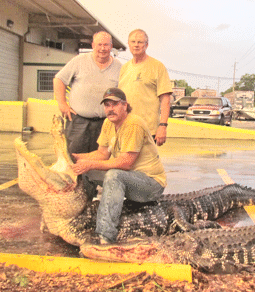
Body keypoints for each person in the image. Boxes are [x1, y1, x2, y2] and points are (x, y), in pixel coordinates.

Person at [71, 88, 166, 244]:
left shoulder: (133, 124)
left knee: (113, 175)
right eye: (107, 105)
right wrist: (75, 159)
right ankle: (84, 216)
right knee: (88, 172)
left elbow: (126, 163)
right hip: (130, 179)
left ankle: (105, 236)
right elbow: (101, 154)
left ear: (125, 105)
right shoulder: (108, 123)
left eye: (114, 104)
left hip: (150, 184)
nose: (110, 109)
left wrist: (89, 164)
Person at [53, 31, 122, 155]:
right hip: (78, 121)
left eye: (106, 45)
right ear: (93, 45)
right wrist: (62, 104)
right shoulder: (79, 61)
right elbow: (59, 79)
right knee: (74, 158)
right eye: (99, 44)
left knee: (101, 158)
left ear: (111, 47)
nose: (102, 48)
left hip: (105, 123)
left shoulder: (119, 67)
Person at [119, 29, 173, 146]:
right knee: (124, 163)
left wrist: (163, 126)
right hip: (126, 127)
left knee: (146, 163)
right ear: (128, 44)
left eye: (140, 42)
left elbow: (165, 99)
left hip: (148, 129)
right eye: (133, 42)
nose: (136, 45)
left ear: (146, 45)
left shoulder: (157, 67)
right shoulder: (124, 68)